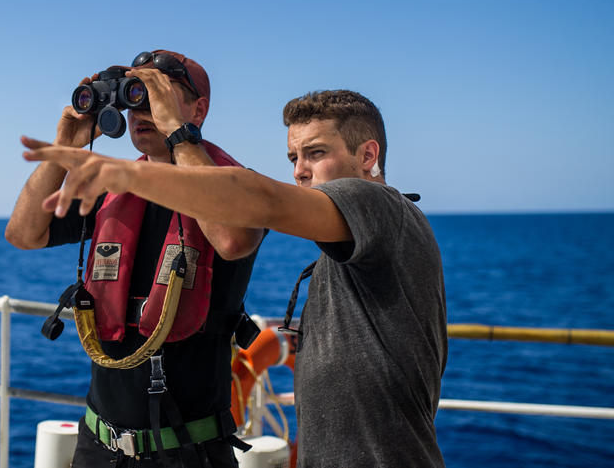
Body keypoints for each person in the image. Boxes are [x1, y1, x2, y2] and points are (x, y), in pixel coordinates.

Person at [22, 89, 448, 468]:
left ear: (368, 157)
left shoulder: (378, 205)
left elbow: (261, 202)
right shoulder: (354, 246)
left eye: (316, 153)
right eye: (293, 157)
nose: (299, 170)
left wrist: (132, 174)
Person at [6, 50, 264, 467]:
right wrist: (64, 145)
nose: (142, 110)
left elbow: (233, 240)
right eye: (135, 97)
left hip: (189, 452)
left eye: (157, 96)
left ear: (199, 110)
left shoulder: (236, 185)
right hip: (99, 446)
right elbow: (23, 233)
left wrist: (180, 135)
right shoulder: (113, 189)